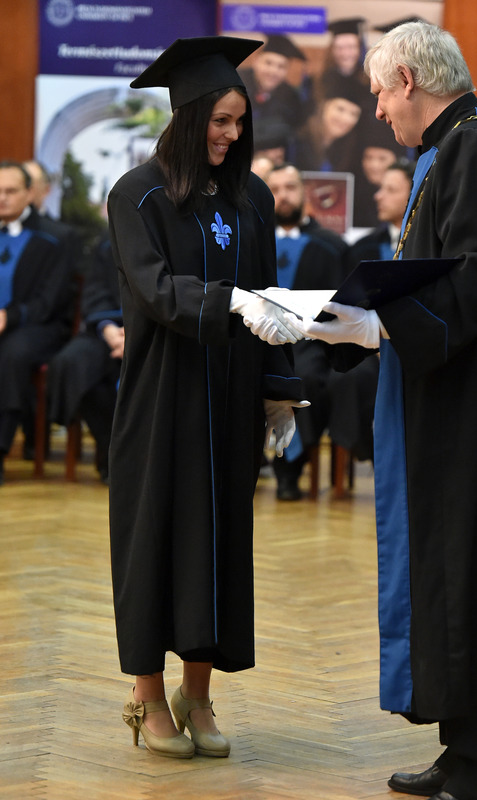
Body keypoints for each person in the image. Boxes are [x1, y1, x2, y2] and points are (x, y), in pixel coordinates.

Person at [287, 21, 477, 800]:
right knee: (449, 567)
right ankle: (462, 750)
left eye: (378, 93)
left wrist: (381, 323)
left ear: (408, 81)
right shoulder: (452, 146)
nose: (376, 110)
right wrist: (369, 315)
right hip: (451, 394)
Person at [106, 35, 306, 760]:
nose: (230, 134)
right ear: (188, 116)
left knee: (217, 544)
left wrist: (278, 392)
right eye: (219, 121)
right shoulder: (137, 194)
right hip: (164, 395)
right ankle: (146, 693)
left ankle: (198, 693)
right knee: (156, 540)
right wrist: (229, 301)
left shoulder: (253, 196)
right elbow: (155, 290)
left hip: (231, 393)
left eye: (238, 121)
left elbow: (269, 295)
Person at [328, 160, 415, 467]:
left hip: (416, 345)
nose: (379, 196)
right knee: (349, 379)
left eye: (390, 190)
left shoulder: (429, 244)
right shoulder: (361, 250)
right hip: (368, 349)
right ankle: (367, 454)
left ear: (413, 195)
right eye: (380, 189)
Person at [265, 163, 343, 500]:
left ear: (304, 193)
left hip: (308, 342)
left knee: (307, 377)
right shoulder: (252, 241)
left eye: (290, 188)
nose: (283, 196)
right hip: (257, 338)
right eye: (275, 189)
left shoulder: (331, 247)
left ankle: (290, 470)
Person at [0, 160, 72, 485]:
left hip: (40, 328)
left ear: (30, 193)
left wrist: (9, 316)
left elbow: (50, 301)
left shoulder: (57, 237)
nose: (2, 198)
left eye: (10, 191)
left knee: (12, 353)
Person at [46, 236, 122, 483]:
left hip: (158, 333)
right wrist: (109, 330)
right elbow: (96, 292)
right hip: (109, 331)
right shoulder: (109, 244)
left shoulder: (171, 238)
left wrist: (136, 334)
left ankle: (127, 458)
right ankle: (111, 451)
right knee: (75, 363)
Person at [238, 34, 309, 144]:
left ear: (287, 70)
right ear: (255, 61)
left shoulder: (291, 98)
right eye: (268, 63)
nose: (273, 71)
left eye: (281, 66)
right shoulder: (236, 83)